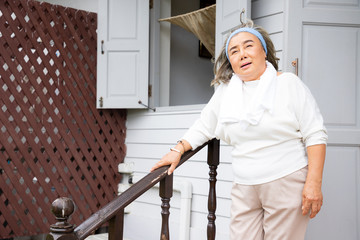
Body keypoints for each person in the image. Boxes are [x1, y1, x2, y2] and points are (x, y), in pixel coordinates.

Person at [151, 20, 327, 240]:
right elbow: (204, 125)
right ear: (230, 62)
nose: (242, 54)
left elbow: (315, 133)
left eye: (249, 46)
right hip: (244, 185)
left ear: (264, 51)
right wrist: (178, 150)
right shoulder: (227, 92)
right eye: (234, 51)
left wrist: (313, 183)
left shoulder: (289, 84)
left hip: (286, 180)